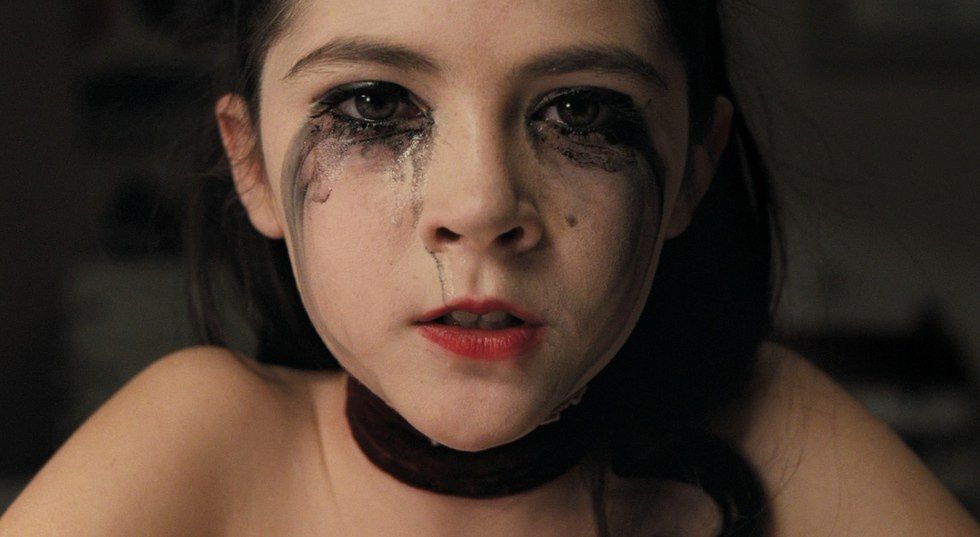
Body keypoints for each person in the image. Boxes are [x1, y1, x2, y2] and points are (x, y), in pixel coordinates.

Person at [2, 0, 977, 535]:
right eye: (374, 105)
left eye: (580, 110)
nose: (478, 207)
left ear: (691, 170)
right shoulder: (203, 442)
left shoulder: (775, 431)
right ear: (251, 162)